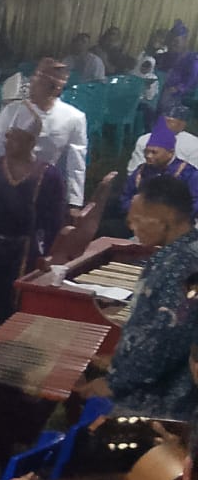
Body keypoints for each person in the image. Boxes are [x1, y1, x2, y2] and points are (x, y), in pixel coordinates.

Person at [92, 175, 198, 418]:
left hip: (158, 404)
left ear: (165, 217)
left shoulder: (180, 266)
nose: (132, 227)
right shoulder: (184, 253)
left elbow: (165, 339)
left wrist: (114, 383)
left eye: (138, 219)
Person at [0, 102, 69, 333]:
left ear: (31, 142)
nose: (8, 142)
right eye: (7, 136)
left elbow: (54, 222)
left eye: (15, 138)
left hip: (26, 251)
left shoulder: (49, 176)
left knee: (14, 305)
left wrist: (47, 256)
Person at [0, 59, 89, 206]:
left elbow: (76, 163)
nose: (32, 85)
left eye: (41, 81)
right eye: (34, 78)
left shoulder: (73, 118)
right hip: (5, 183)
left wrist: (74, 202)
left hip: (43, 186)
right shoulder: (13, 110)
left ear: (56, 89)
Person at [122, 117, 198, 216]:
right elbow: (125, 198)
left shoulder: (188, 173)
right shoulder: (141, 172)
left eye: (154, 152)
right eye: (146, 152)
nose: (148, 156)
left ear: (170, 152)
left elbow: (195, 203)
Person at [128, 106, 198, 177]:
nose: (165, 124)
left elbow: (194, 172)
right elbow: (134, 169)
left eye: (170, 121)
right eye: (163, 120)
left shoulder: (193, 144)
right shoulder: (144, 139)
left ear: (182, 124)